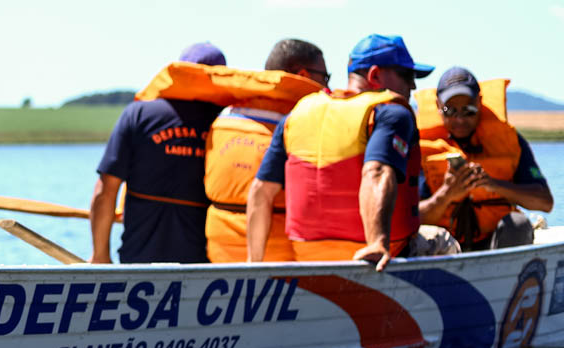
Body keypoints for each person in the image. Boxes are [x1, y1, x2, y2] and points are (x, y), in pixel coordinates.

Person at [247, 34, 452, 270]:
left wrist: (254, 266)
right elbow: (376, 171)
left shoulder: (296, 116)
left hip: (308, 256)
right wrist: (377, 243)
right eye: (406, 76)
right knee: (443, 241)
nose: (413, 86)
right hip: (375, 254)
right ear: (375, 75)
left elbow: (260, 192)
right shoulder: (391, 113)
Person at [90, 42, 228, 264]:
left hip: (139, 259)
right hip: (203, 264)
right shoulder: (227, 123)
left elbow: (105, 190)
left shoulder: (139, 114)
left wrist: (100, 255)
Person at [202, 39, 329, 262]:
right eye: (324, 76)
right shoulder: (301, 119)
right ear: (304, 75)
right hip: (274, 253)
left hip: (219, 249)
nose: (326, 83)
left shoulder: (225, 115)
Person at [416, 66, 553, 249]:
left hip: (494, 243)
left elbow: (545, 202)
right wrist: (447, 194)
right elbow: (411, 219)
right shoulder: (420, 149)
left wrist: (493, 184)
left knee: (518, 224)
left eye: (468, 110)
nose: (460, 119)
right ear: (438, 106)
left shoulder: (510, 142)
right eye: (451, 110)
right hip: (444, 247)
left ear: (480, 102)